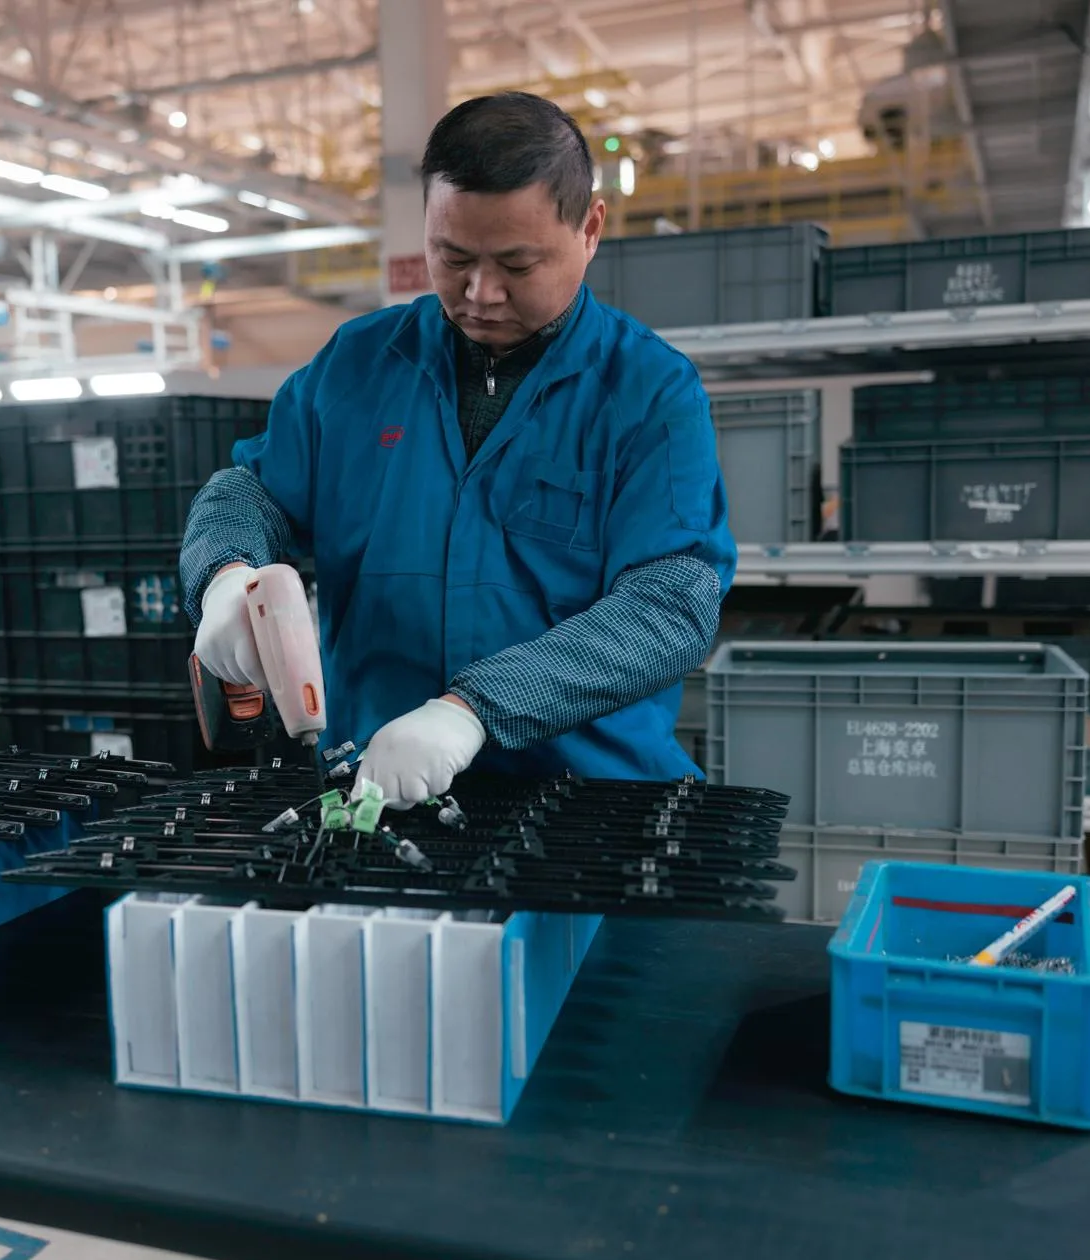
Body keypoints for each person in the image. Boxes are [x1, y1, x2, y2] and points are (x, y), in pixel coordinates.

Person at [181, 90, 734, 807]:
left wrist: (475, 709)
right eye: (453, 257)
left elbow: (671, 603)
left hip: (590, 800)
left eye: (516, 263)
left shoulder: (648, 392)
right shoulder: (359, 364)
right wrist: (225, 573)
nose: (481, 292)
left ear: (590, 228)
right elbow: (249, 490)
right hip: (379, 791)